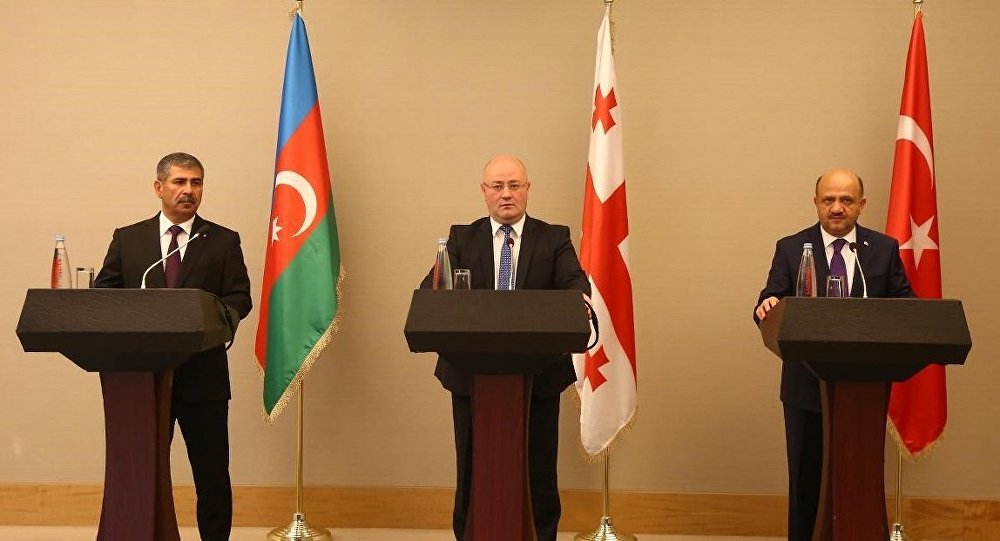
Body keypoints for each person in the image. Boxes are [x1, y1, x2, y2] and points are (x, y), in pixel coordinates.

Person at [420, 155, 590, 541]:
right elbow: (432, 292)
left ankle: (541, 535)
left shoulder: (554, 238)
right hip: (470, 373)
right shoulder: (461, 239)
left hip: (539, 375)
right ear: (484, 192)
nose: (506, 194)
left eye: (514, 185)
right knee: (472, 467)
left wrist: (575, 300)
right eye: (497, 186)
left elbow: (576, 286)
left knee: (538, 468)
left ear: (528, 189)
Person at [95, 152, 252, 541]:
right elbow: (104, 296)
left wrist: (210, 321)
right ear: (159, 187)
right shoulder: (128, 239)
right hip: (142, 380)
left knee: (211, 474)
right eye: (180, 182)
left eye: (196, 182)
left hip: (203, 377)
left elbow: (239, 298)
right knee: (143, 473)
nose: (189, 190)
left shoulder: (222, 240)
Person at [753, 168, 912, 541]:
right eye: (829, 200)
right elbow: (769, 300)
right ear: (816, 203)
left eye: (846, 200)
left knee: (859, 481)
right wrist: (768, 305)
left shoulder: (883, 249)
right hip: (805, 390)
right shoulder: (791, 248)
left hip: (864, 392)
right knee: (806, 483)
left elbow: (907, 308)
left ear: (861, 205)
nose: (837, 208)